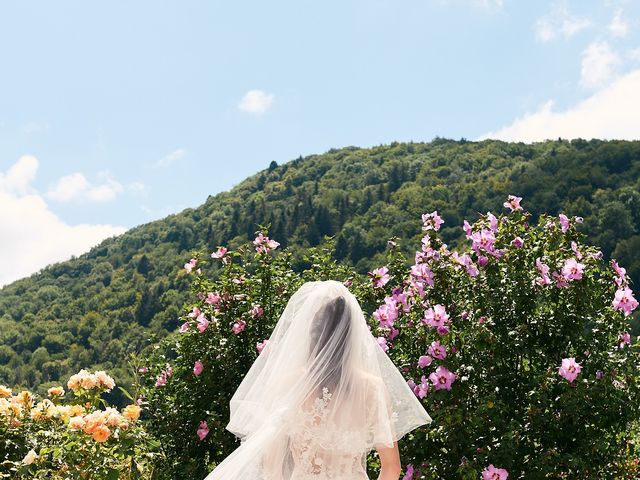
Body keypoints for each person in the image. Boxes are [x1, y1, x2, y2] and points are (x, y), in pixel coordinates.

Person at [203, 279, 432, 479]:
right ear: (353, 338)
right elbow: (391, 469)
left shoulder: (289, 384)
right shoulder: (372, 388)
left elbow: (271, 468)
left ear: (311, 335)